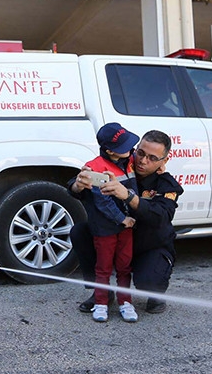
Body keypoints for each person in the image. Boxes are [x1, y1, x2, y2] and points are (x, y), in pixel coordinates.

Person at [70, 129, 184, 315]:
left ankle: (156, 294)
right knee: (80, 232)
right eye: (141, 153)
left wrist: (128, 196)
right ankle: (102, 292)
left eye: (153, 158)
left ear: (164, 161)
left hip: (148, 244)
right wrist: (78, 184)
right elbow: (79, 185)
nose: (143, 160)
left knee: (149, 282)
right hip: (118, 237)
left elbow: (161, 216)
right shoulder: (122, 163)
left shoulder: (166, 184)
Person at [81, 122, 139, 323]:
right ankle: (101, 303)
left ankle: (125, 302)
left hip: (127, 227)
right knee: (103, 267)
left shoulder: (130, 159)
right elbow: (103, 201)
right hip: (107, 228)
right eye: (124, 147)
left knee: (124, 266)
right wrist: (123, 219)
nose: (131, 149)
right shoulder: (95, 167)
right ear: (110, 151)